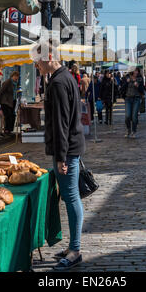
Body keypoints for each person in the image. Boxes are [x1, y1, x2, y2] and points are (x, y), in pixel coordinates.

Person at [34, 40, 85, 271]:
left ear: (48, 56)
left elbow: (61, 123)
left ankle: (75, 250)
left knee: (72, 197)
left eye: (37, 60)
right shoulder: (64, 78)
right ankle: (72, 247)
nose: (36, 64)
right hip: (70, 146)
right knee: (70, 196)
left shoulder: (58, 83)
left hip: (66, 149)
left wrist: (61, 157)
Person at [121, 70, 145, 138]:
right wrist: (126, 82)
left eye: (137, 71)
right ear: (132, 72)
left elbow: (142, 90)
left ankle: (133, 131)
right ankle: (128, 129)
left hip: (136, 99)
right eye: (135, 71)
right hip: (128, 99)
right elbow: (122, 88)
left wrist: (138, 86)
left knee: (134, 116)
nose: (136, 72)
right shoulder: (126, 78)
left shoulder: (139, 79)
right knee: (128, 116)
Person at [0, 71, 19, 135]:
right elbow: (0, 92)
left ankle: (10, 130)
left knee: (13, 115)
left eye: (17, 76)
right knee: (8, 116)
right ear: (12, 76)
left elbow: (15, 92)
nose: (16, 77)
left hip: (13, 101)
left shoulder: (16, 83)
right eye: (15, 76)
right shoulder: (7, 82)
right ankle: (6, 130)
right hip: (5, 102)